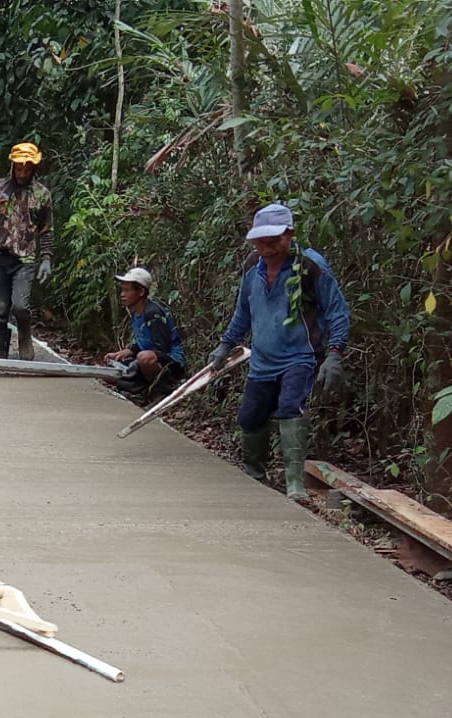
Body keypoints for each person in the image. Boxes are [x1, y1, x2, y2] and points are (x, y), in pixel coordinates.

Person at [206, 202, 349, 501]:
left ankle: (294, 483)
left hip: (301, 355)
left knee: (289, 408)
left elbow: (337, 311)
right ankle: (254, 475)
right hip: (262, 358)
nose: (267, 249)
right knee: (251, 416)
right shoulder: (251, 267)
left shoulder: (310, 266)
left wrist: (335, 353)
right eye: (261, 242)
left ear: (290, 235)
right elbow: (243, 312)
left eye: (273, 242)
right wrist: (225, 344)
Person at [0, 142, 53, 361]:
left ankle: (25, 336)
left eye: (27, 169)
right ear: (12, 166)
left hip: (25, 260)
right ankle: (0, 353)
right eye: (19, 168)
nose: (22, 173)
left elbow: (47, 229)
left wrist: (47, 258)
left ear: (34, 169)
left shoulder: (42, 194)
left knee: (20, 306)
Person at [106, 266, 186, 404]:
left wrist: (136, 361)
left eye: (127, 290)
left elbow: (161, 348)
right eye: (122, 290)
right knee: (110, 370)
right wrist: (126, 352)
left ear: (141, 292)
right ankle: (139, 389)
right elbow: (144, 341)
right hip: (149, 357)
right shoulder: (136, 312)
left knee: (144, 359)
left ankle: (161, 391)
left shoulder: (152, 313)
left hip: (171, 362)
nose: (122, 294)